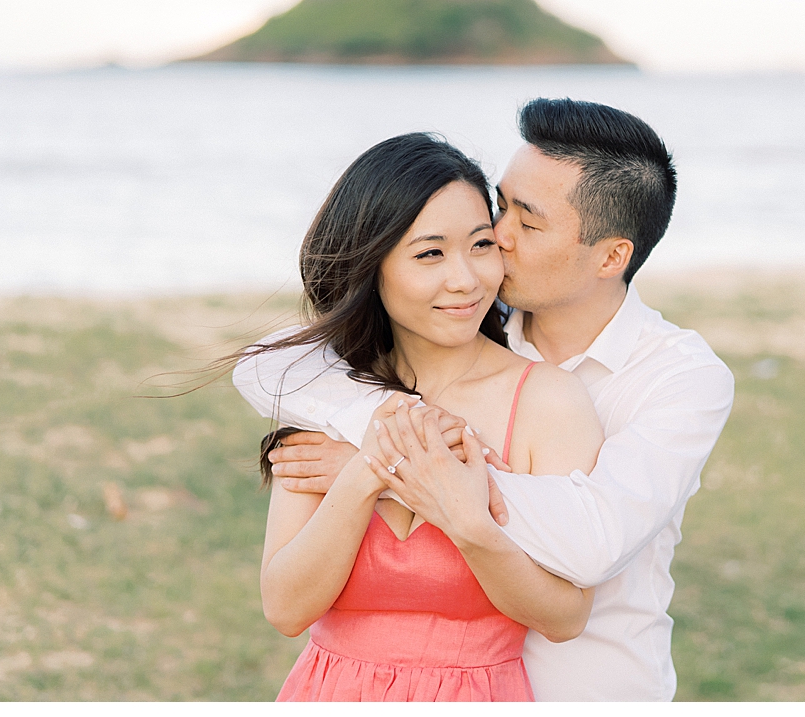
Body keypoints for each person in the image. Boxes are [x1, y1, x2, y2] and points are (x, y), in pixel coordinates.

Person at [235, 98, 736, 701]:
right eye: (500, 207)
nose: (495, 240)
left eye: (527, 222)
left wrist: (400, 468)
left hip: (587, 691)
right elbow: (269, 368)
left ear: (611, 256)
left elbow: (595, 538)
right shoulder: (468, 309)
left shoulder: (679, 380)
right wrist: (388, 448)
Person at [252, 131, 605, 702]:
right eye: (429, 253)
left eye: (482, 245)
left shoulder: (547, 401)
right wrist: (372, 468)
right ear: (375, 266)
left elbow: (565, 616)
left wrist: (469, 523)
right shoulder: (331, 396)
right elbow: (286, 607)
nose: (465, 280)